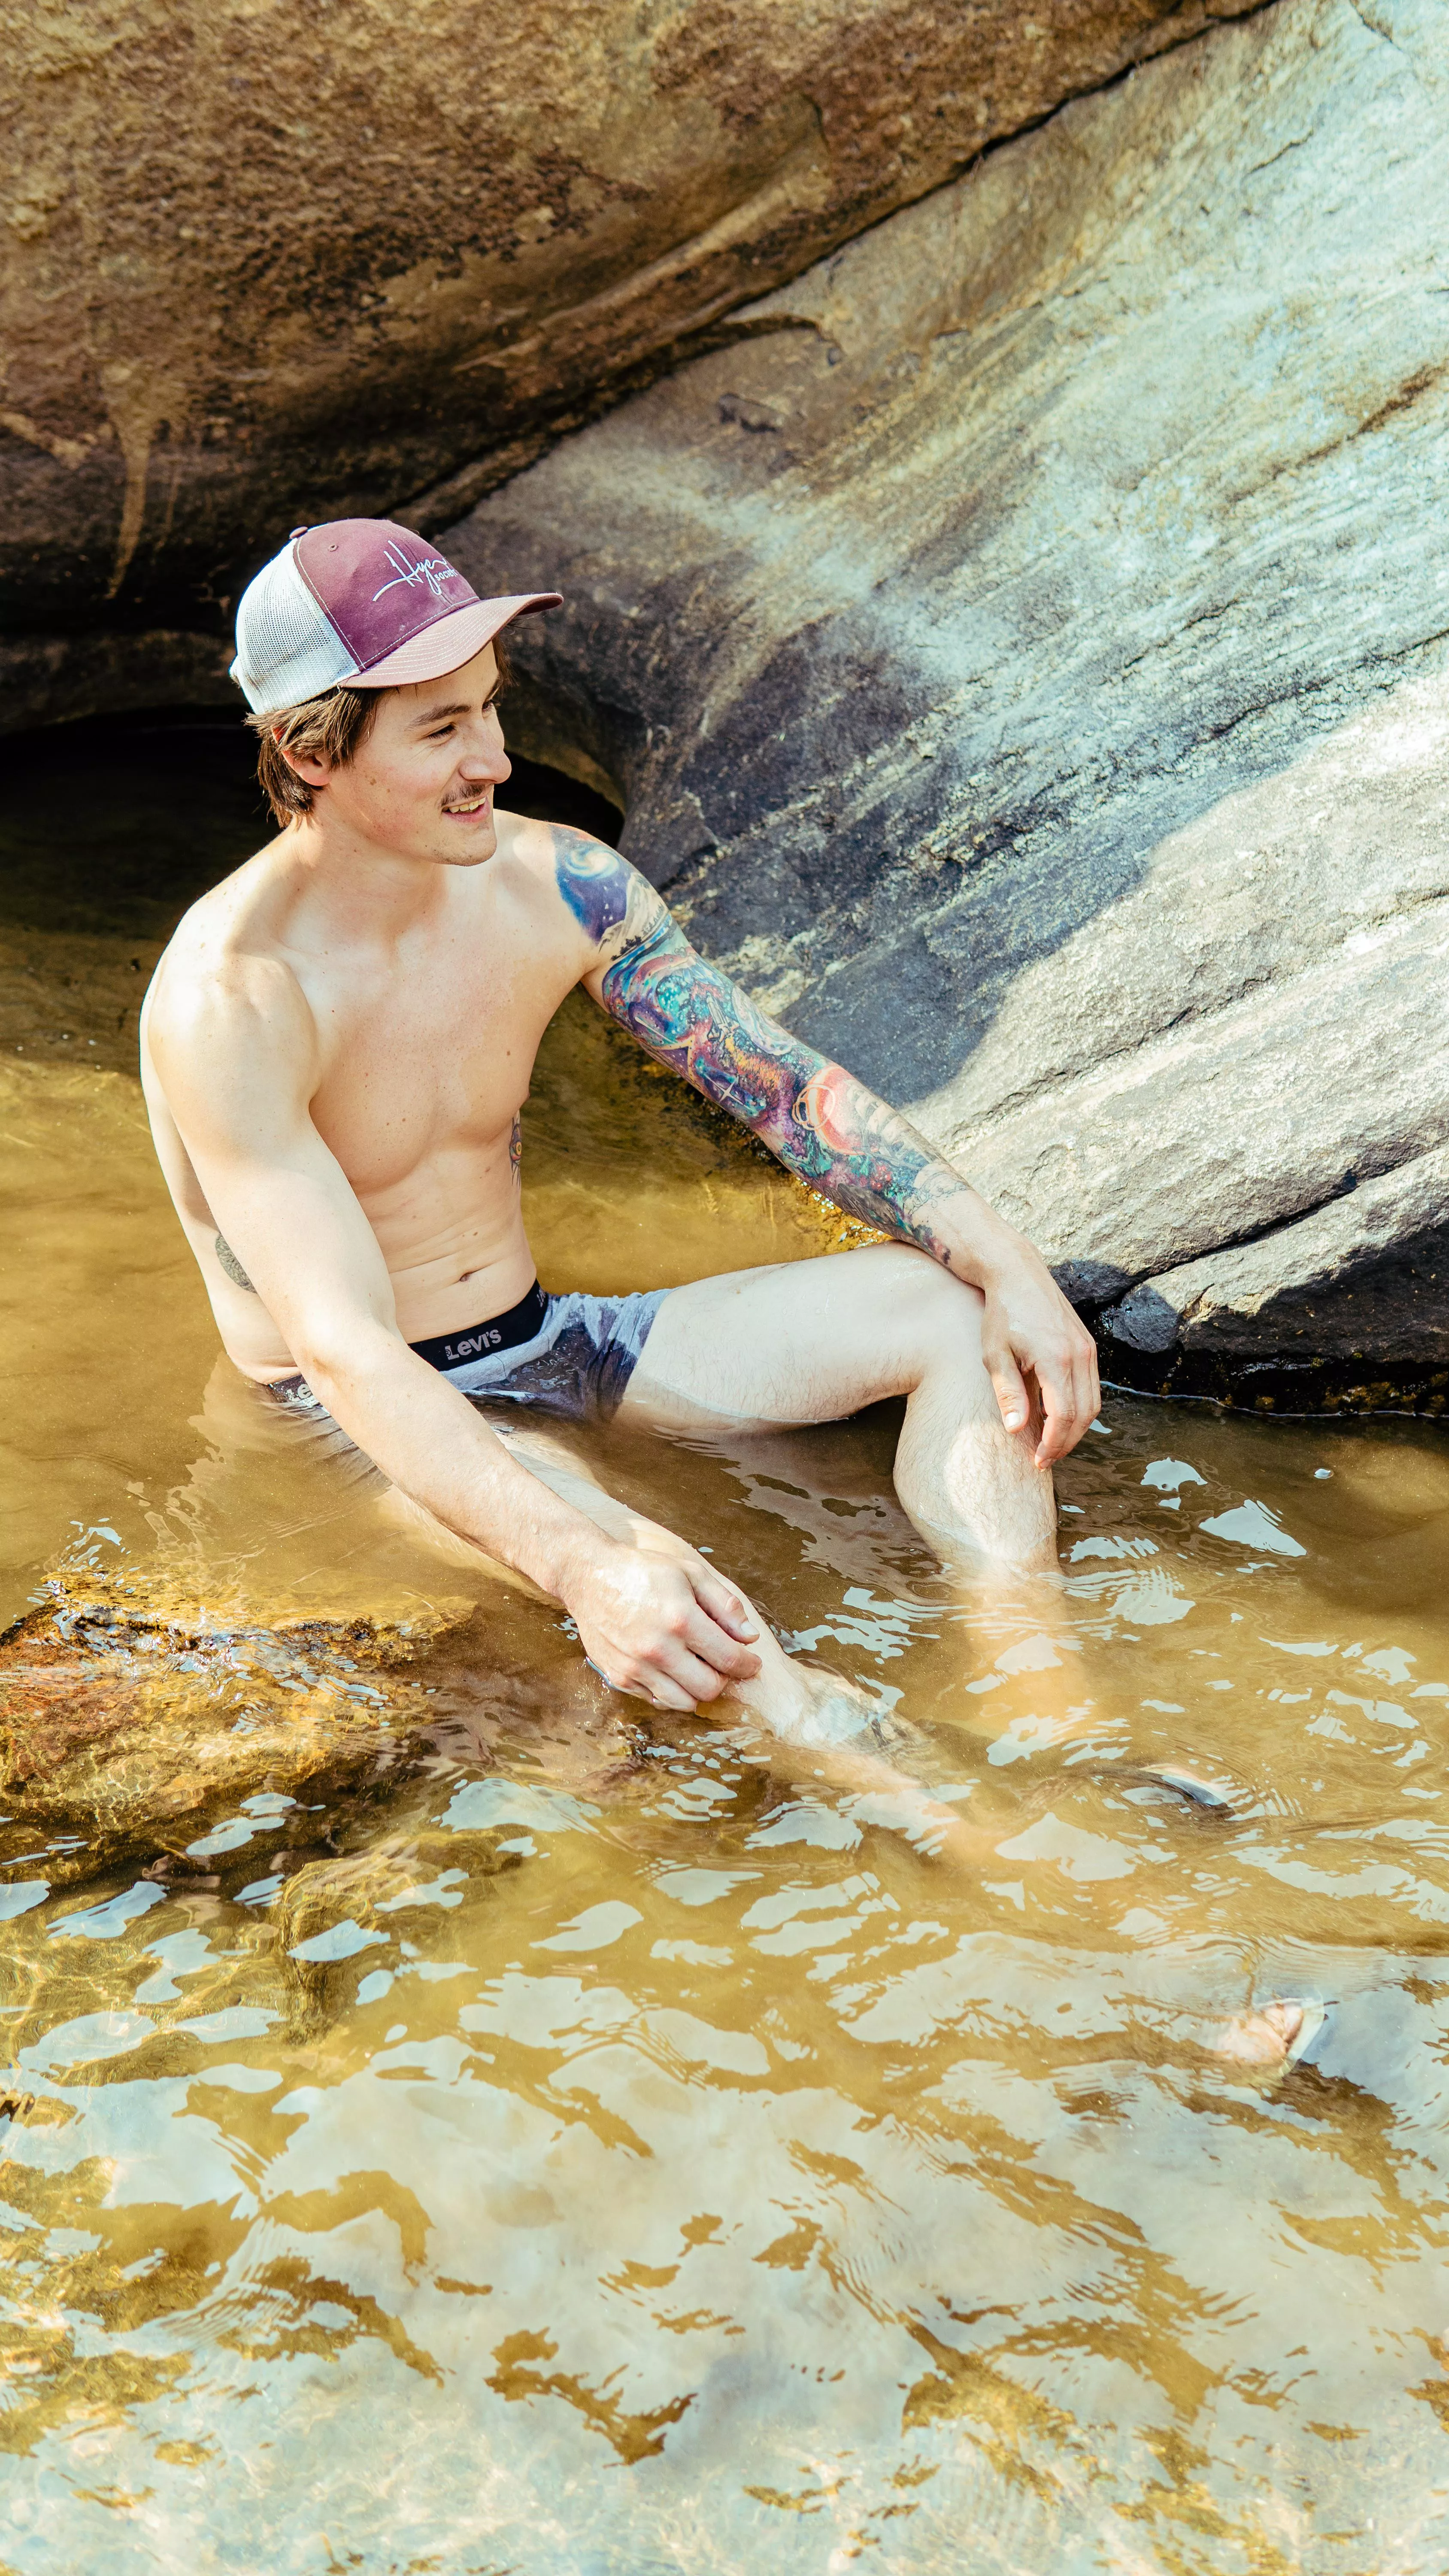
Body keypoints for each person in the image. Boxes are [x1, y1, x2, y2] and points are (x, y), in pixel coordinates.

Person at [139, 516, 1319, 2070]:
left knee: (942, 1307)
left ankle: (1048, 1713)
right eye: (440, 729)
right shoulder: (234, 998)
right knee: (700, 1608)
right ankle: (1124, 1944)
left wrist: (1011, 1266)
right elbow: (353, 1352)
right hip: (364, 1419)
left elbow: (788, 1094)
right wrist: (587, 1566)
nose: (493, 756)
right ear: (311, 752)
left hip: (550, 1338)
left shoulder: (553, 884)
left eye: (492, 707)